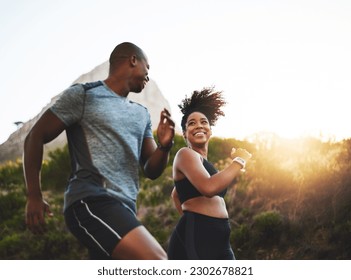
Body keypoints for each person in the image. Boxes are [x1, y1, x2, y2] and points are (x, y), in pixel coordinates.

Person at [23, 42, 175, 260]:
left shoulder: (141, 114)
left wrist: (165, 145)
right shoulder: (84, 95)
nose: (148, 76)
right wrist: (34, 195)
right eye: (147, 68)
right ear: (133, 60)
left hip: (125, 210)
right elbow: (34, 137)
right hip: (91, 201)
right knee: (158, 262)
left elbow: (151, 168)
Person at [167, 87, 252, 259]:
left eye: (204, 122)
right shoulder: (185, 154)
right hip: (197, 237)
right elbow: (208, 187)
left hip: (220, 239)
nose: (199, 125)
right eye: (192, 123)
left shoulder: (204, 164)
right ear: (184, 133)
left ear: (210, 130)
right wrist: (239, 161)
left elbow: (176, 194)